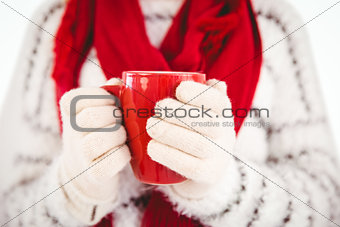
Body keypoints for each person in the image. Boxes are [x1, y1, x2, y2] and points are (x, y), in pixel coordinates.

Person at [0, 0, 339, 226]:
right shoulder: (56, 19)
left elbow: (326, 208)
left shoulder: (274, 22)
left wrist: (225, 186)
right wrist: (72, 191)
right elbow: (9, 211)